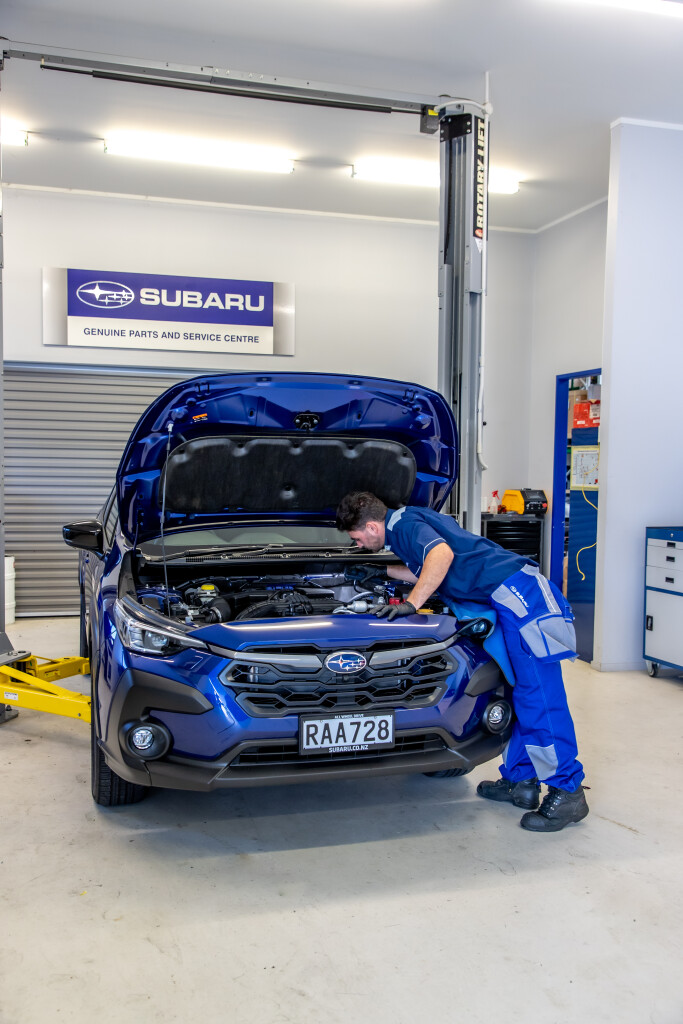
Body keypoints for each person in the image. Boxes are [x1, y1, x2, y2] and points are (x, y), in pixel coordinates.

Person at [335, 491, 589, 833]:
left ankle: (568, 791)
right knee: (516, 694)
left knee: (539, 696)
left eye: (357, 539)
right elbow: (428, 569)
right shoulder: (402, 527)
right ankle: (521, 781)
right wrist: (383, 572)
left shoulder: (404, 524)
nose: (358, 545)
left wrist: (411, 604)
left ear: (371, 527)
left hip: (520, 598)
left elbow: (441, 555)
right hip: (502, 600)